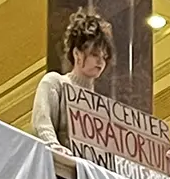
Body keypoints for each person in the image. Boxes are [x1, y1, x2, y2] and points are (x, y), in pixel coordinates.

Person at [32, 9, 114, 150]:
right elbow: (41, 125)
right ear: (77, 54)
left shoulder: (102, 106)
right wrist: (56, 148)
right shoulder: (55, 83)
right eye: (95, 54)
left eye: (104, 57)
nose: (101, 62)